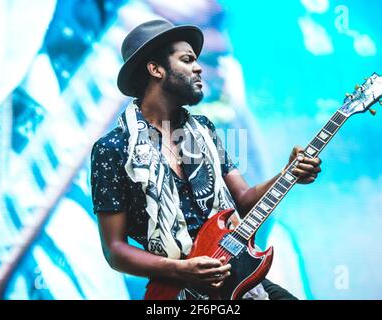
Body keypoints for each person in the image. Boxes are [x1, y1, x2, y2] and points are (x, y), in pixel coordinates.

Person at [90, 20, 321, 300]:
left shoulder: (204, 130)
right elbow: (114, 250)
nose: (198, 68)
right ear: (156, 69)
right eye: (187, 60)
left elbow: (244, 200)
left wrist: (288, 173)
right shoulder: (112, 149)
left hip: (237, 279)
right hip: (174, 291)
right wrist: (180, 270)